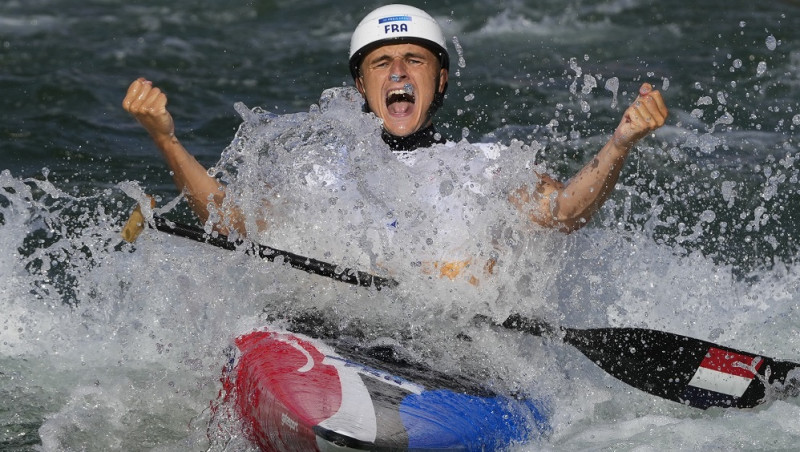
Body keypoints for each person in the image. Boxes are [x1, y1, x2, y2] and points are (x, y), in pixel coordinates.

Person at [122, 4, 667, 242]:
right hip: (338, 344)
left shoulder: (487, 167)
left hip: (457, 357)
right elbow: (232, 223)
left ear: (441, 79)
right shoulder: (316, 169)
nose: (399, 72)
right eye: (382, 63)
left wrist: (620, 143)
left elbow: (563, 214)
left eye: (416, 60)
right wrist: (165, 140)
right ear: (362, 85)